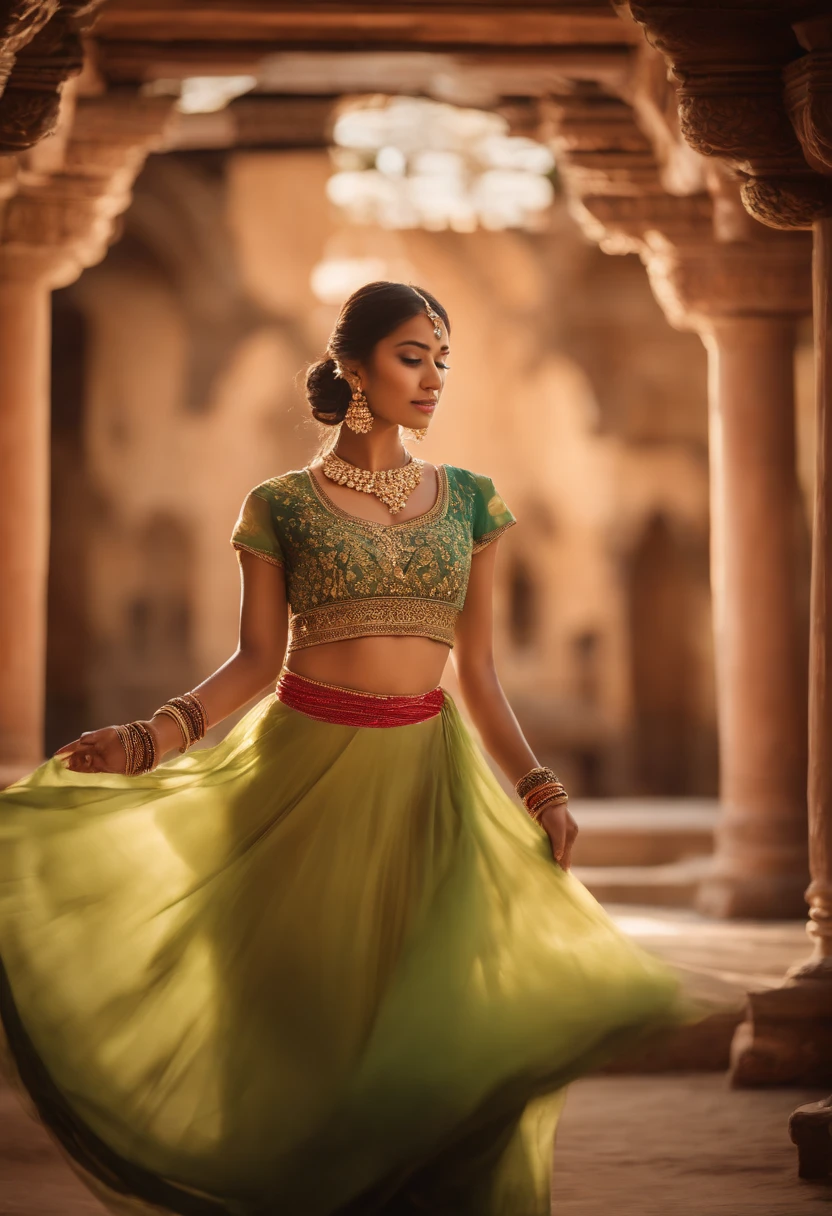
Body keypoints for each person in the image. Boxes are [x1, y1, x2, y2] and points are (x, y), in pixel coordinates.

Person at [0, 281, 704, 1216]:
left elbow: (479, 674)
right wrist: (150, 736)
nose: (433, 377)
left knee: (438, 1031)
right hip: (299, 775)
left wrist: (538, 787)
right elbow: (255, 659)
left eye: (443, 359)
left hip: (428, 780)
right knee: (307, 1032)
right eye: (413, 355)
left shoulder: (472, 502)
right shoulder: (280, 504)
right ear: (352, 366)